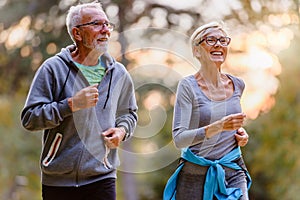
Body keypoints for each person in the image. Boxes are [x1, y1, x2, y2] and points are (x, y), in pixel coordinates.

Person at [21, 1, 137, 200]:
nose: (105, 30)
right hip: (58, 180)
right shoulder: (53, 68)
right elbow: (30, 118)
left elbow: (129, 113)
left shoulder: (118, 73)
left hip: (102, 176)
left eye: (107, 24)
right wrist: (71, 105)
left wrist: (122, 131)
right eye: (96, 24)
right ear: (77, 33)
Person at [163, 21, 251, 200]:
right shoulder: (188, 86)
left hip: (233, 170)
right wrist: (218, 127)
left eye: (223, 40)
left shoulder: (237, 84)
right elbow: (179, 139)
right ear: (197, 51)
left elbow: (230, 124)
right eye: (210, 40)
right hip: (194, 175)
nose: (218, 44)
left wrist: (240, 133)